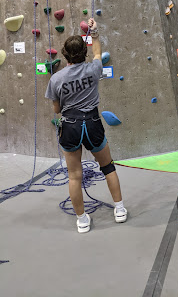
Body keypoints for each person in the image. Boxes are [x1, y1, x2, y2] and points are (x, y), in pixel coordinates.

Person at [45, 18, 127, 233]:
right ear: (84, 52)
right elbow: (98, 53)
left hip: (70, 126)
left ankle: (81, 220)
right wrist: (95, 33)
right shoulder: (93, 69)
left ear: (65, 55)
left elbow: (56, 110)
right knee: (107, 167)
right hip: (92, 124)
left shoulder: (56, 79)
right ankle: (119, 209)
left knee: (74, 175)